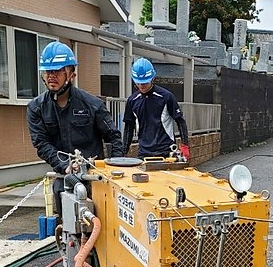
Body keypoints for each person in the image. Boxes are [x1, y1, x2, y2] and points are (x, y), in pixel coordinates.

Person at [26, 41, 123, 216]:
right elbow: (41, 143)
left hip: (94, 180)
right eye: (47, 71)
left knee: (100, 228)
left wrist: (113, 170)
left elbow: (114, 137)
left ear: (72, 75)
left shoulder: (92, 105)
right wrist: (65, 166)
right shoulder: (36, 108)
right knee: (69, 232)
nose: (51, 76)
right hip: (64, 179)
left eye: (57, 71)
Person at [123, 58, 190, 160]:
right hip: (143, 152)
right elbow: (128, 127)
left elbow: (180, 121)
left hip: (166, 152)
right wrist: (123, 151)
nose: (141, 86)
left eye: (144, 83)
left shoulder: (166, 97)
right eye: (138, 83)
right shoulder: (132, 101)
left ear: (152, 78)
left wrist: (184, 145)